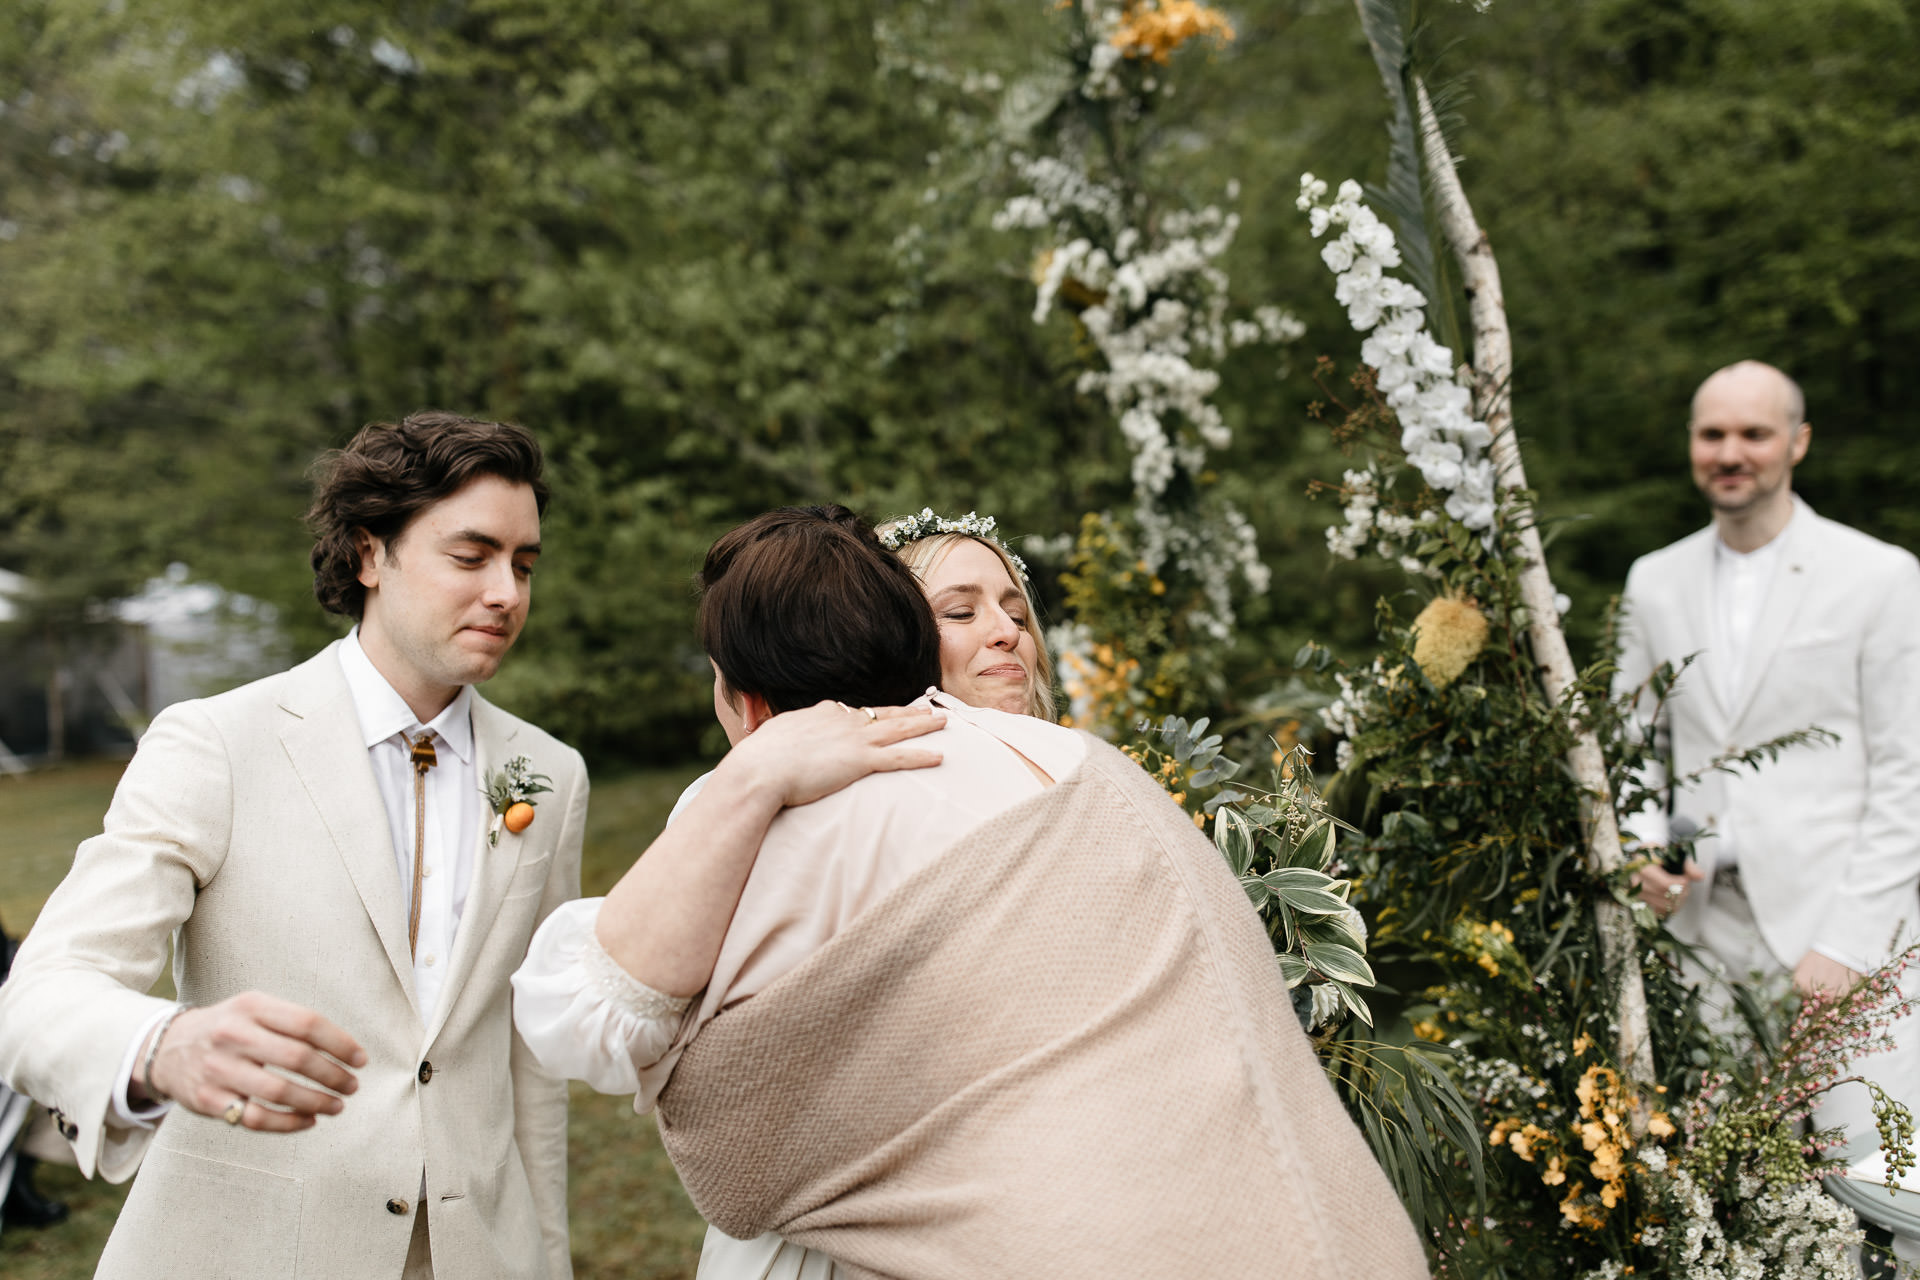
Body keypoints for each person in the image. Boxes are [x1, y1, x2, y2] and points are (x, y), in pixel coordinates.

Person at [515, 505, 1428, 1279]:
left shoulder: (788, 819)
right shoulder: (1090, 770)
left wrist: (748, 781)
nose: (1001, 631)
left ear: (746, 704)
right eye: (960, 608)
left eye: (1012, 608)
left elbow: (585, 1014)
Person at [0, 412, 587, 1279]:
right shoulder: (216, 742)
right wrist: (163, 1047)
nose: (507, 591)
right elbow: (38, 994)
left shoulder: (550, 772)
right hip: (250, 1249)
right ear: (368, 555)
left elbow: (530, 1064)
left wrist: (545, 1262)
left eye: (524, 564)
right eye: (472, 557)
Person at [1615, 361, 1920, 1251]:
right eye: (1713, 434)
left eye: (1753, 433)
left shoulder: (1881, 575)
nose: (1731, 452)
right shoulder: (1653, 580)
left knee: (1882, 1190)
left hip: (1847, 937)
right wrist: (1646, 853)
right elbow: (1641, 747)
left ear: (1798, 441)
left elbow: (1909, 773)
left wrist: (1849, 944)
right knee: (1725, 1194)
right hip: (1707, 931)